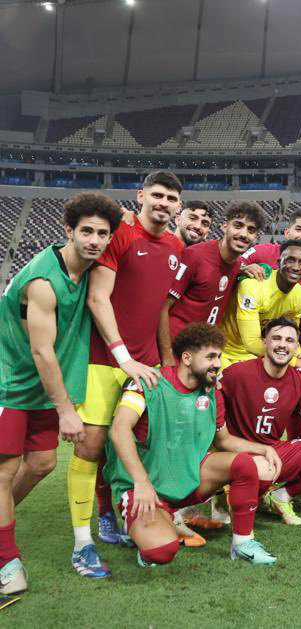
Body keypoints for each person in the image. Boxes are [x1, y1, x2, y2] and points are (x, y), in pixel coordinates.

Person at [0, 193, 121, 595]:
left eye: (102, 233)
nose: (94, 240)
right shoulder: (44, 280)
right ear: (68, 231)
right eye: (86, 231)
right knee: (3, 471)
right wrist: (67, 410)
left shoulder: (90, 271)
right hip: (11, 382)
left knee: (41, 464)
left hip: (44, 385)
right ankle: (6, 561)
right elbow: (41, 351)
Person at [69, 170, 185, 578]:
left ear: (178, 206)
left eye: (171, 198)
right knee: (93, 446)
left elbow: (159, 310)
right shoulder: (119, 233)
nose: (164, 203)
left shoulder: (175, 245)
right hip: (104, 360)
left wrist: (164, 361)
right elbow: (98, 299)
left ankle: (125, 514)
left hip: (147, 364)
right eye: (157, 194)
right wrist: (122, 357)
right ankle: (84, 541)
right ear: (141, 196)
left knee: (134, 445)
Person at [104, 323, 281, 567]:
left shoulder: (211, 391)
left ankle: (243, 544)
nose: (217, 363)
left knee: (245, 464)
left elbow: (224, 440)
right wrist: (141, 482)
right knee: (162, 552)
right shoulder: (150, 381)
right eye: (210, 356)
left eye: (218, 356)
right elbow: (119, 429)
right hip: (144, 487)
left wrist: (263, 449)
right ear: (186, 358)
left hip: (185, 478)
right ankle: (141, 526)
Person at [219, 318, 301, 526]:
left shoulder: (300, 382)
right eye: (276, 338)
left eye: (289, 340)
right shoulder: (237, 373)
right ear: (264, 342)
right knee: (263, 470)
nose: (282, 344)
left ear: (296, 346)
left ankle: (282, 496)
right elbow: (210, 407)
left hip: (273, 451)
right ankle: (226, 491)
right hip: (238, 453)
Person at [158, 200, 265, 366]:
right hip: (177, 350)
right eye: (238, 225)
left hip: (204, 352)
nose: (244, 234)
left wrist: (243, 269)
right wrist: (167, 356)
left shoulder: (237, 266)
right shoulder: (195, 255)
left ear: (256, 237)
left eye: (251, 230)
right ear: (224, 227)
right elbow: (163, 307)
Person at [240, 209, 301, 368]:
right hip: (239, 340)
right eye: (299, 229)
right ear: (287, 232)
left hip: (275, 342)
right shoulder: (261, 252)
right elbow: (232, 266)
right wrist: (242, 268)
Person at [219, 240, 301, 376]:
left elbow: (290, 335)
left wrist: (300, 355)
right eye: (290, 260)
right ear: (279, 262)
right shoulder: (253, 286)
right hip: (223, 352)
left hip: (259, 356)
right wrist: (298, 363)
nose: (296, 267)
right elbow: (251, 343)